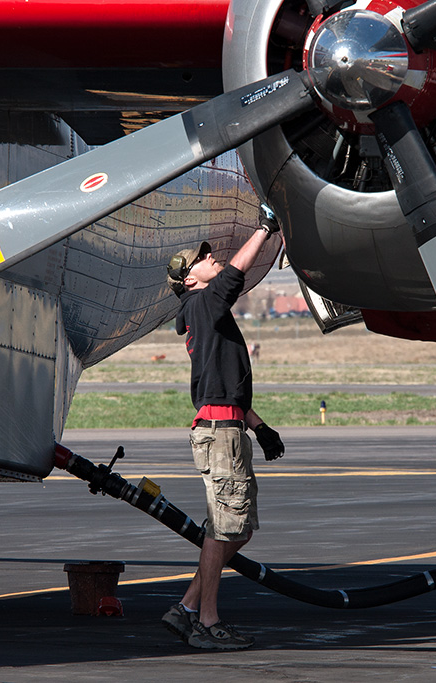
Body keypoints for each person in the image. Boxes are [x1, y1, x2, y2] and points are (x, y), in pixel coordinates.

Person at [160, 210, 286, 651]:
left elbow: (224, 386)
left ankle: (186, 608)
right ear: (190, 280)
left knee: (238, 528)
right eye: (201, 259)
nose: (210, 257)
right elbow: (235, 274)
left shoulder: (207, 314)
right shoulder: (203, 304)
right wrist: (267, 228)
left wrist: (259, 427)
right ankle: (207, 622)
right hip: (219, 433)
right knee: (223, 528)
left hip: (229, 426)